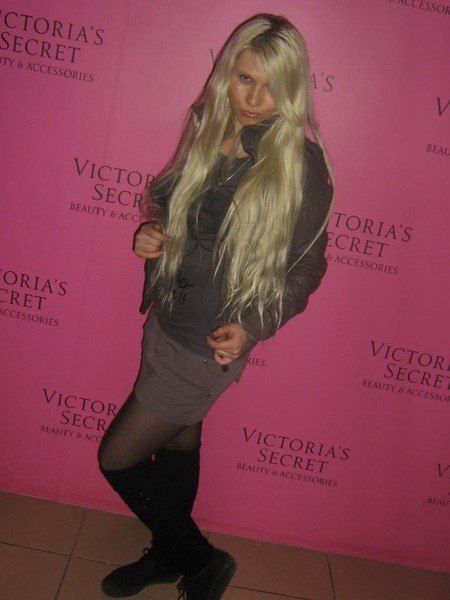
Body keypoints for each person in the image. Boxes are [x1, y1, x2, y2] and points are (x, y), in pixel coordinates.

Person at [98, 13, 333, 600]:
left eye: (271, 87)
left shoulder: (301, 164)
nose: (253, 99)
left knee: (118, 459)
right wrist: (153, 235)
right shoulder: (207, 125)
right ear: (227, 72)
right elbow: (179, 209)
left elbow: (307, 266)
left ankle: (201, 561)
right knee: (178, 443)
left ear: (293, 90)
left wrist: (254, 327)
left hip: (210, 341)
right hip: (167, 318)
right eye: (244, 78)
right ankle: (168, 555)